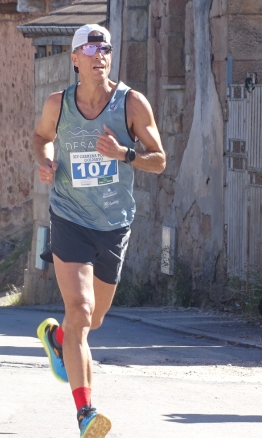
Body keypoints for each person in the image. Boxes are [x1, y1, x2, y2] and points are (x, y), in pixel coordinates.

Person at [32, 24, 166, 437]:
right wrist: (46, 159)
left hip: (114, 223)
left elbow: (158, 159)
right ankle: (85, 412)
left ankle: (59, 342)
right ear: (75, 58)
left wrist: (125, 153)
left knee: (94, 321)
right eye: (90, 49)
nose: (99, 55)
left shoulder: (132, 104)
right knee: (80, 311)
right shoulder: (59, 103)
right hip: (70, 216)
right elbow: (40, 137)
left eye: (104, 49)